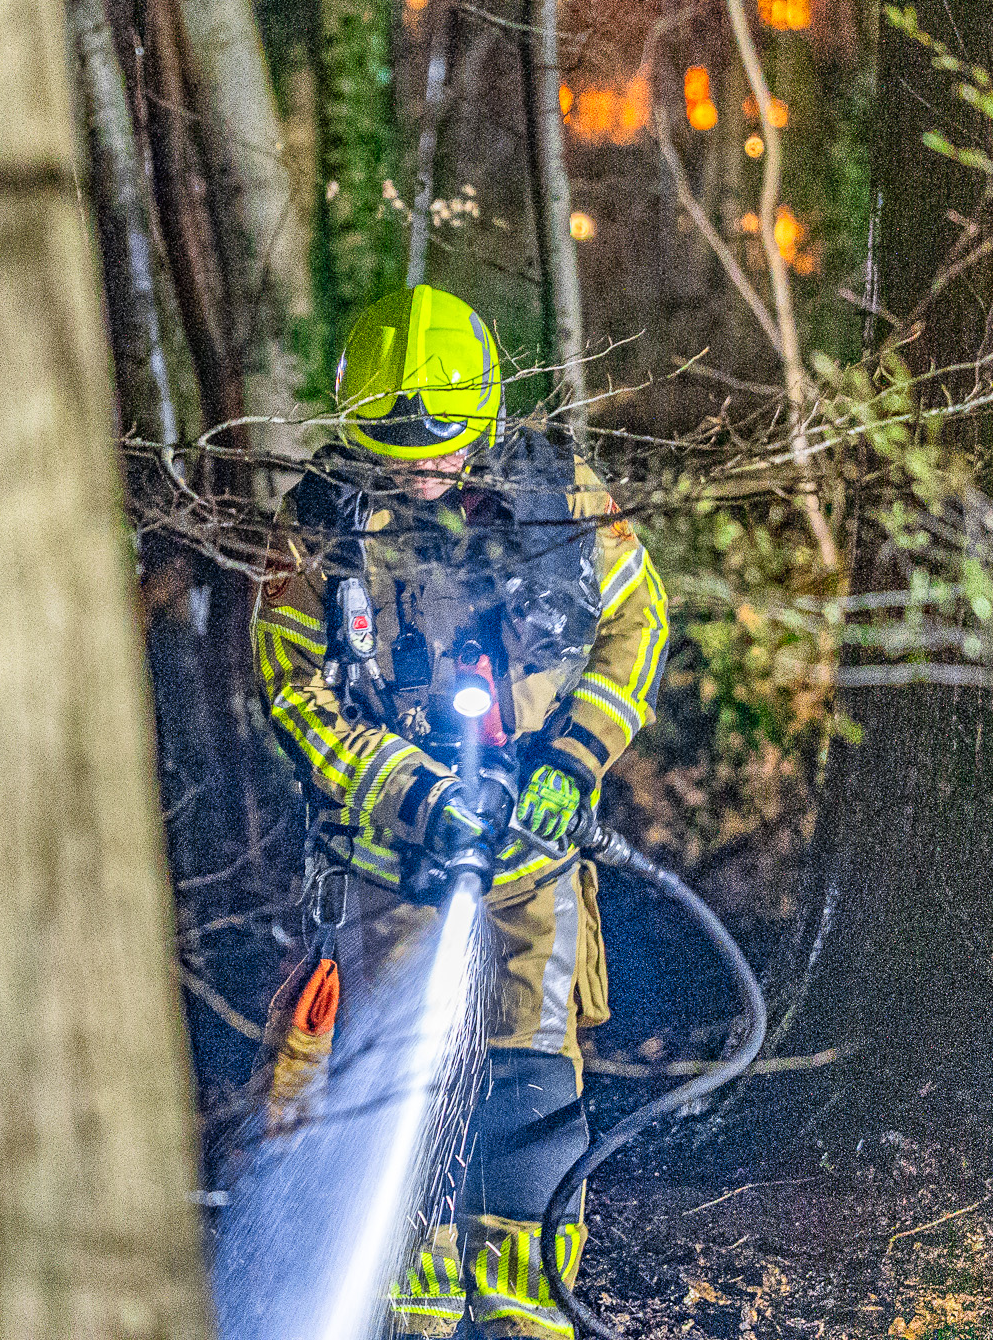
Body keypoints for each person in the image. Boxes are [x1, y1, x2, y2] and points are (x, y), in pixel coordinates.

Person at [249, 284, 668, 1339]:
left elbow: (636, 619)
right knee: (399, 1074)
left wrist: (570, 764)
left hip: (536, 849)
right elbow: (294, 691)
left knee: (530, 1067)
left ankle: (526, 1312)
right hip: (391, 863)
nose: (419, 465)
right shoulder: (314, 534)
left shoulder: (555, 496)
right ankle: (408, 1307)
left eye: (439, 443)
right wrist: (411, 794)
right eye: (393, 443)